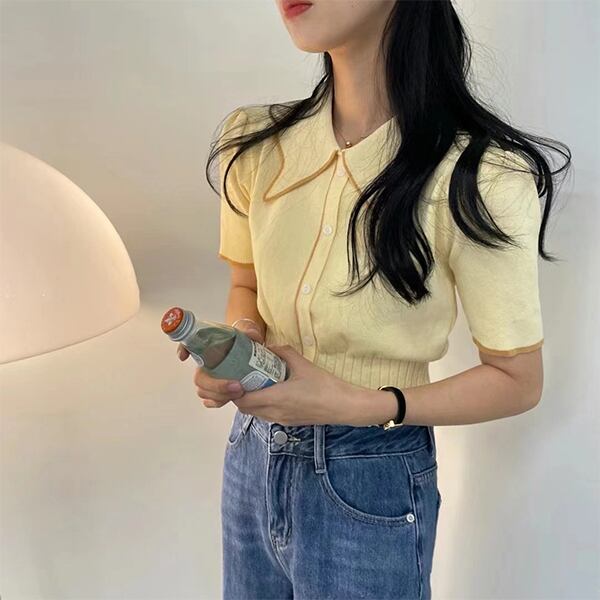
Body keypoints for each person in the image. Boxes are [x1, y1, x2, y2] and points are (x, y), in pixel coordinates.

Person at [179, 1, 571, 598]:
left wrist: (363, 404)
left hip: (372, 474)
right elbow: (247, 287)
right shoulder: (255, 146)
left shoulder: (481, 176)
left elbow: (518, 380)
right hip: (250, 456)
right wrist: (240, 346)